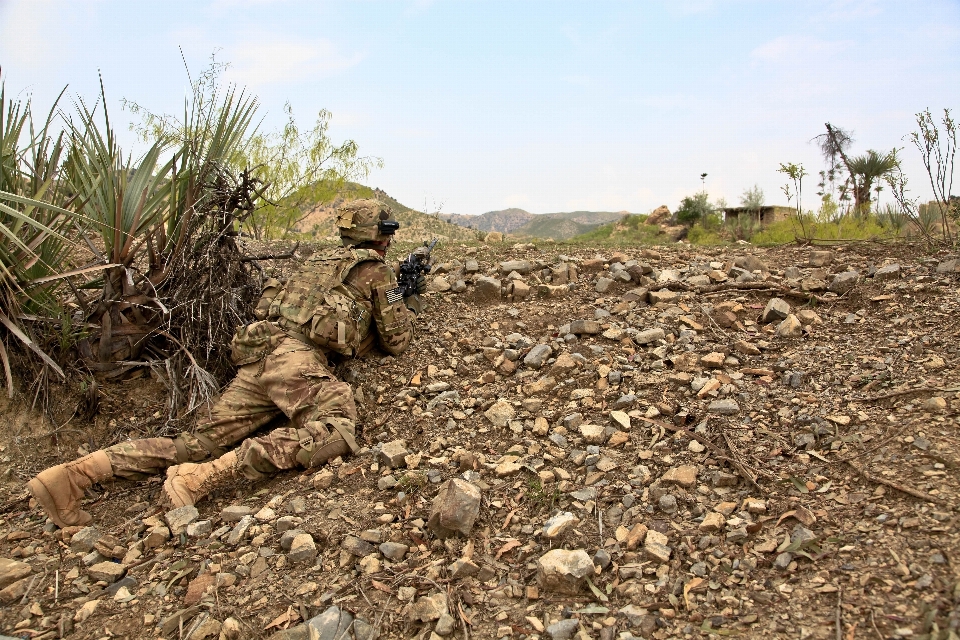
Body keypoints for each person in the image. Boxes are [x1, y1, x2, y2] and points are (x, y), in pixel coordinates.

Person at [27, 199, 421, 528]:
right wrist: (408, 300)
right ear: (376, 234)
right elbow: (397, 342)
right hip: (295, 361)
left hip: (259, 356)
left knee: (196, 443)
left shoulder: (317, 261)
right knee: (339, 428)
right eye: (387, 231)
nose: (389, 238)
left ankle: (73, 476)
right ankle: (201, 478)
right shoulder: (375, 270)